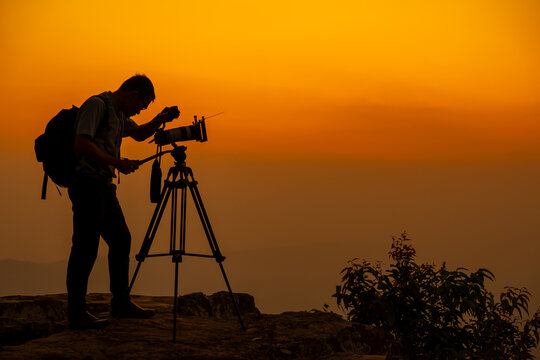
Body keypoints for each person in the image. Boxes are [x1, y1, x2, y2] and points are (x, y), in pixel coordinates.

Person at [67, 74, 177, 329]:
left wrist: (159, 120)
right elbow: (81, 143)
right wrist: (117, 163)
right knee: (85, 248)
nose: (140, 110)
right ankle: (76, 313)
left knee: (121, 239)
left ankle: (121, 303)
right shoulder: (98, 105)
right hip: (87, 184)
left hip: (104, 186)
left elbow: (138, 134)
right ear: (134, 95)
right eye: (142, 105)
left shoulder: (117, 114)